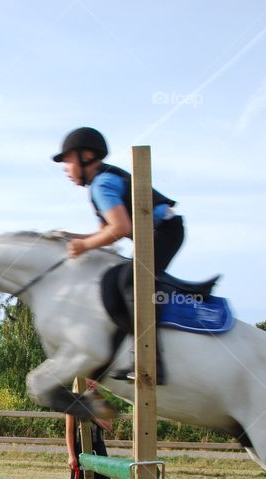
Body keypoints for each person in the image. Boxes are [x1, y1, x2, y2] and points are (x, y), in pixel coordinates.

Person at [52, 126, 185, 382]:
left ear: (87, 156)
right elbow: (104, 231)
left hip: (165, 231)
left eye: (67, 160)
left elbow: (120, 229)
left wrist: (83, 246)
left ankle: (151, 362)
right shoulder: (101, 183)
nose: (65, 168)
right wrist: (71, 238)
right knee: (117, 283)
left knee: (130, 281)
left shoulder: (102, 184)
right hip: (160, 230)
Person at [64, 379, 116, 479]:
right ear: (79, 383)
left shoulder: (101, 402)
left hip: (98, 447)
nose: (92, 384)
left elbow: (109, 426)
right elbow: (69, 432)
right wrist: (71, 455)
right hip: (80, 448)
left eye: (94, 382)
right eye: (88, 382)